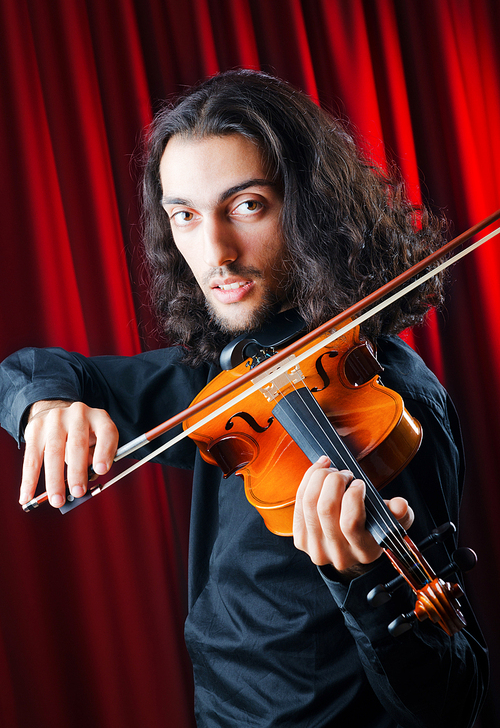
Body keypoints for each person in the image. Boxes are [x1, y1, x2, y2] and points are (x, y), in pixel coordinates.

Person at [0, 70, 488, 727]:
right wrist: (47, 406)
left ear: (312, 207)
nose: (216, 253)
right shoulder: (237, 373)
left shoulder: (393, 414)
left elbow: (455, 695)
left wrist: (366, 584)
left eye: (247, 206)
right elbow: (37, 368)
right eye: (186, 217)